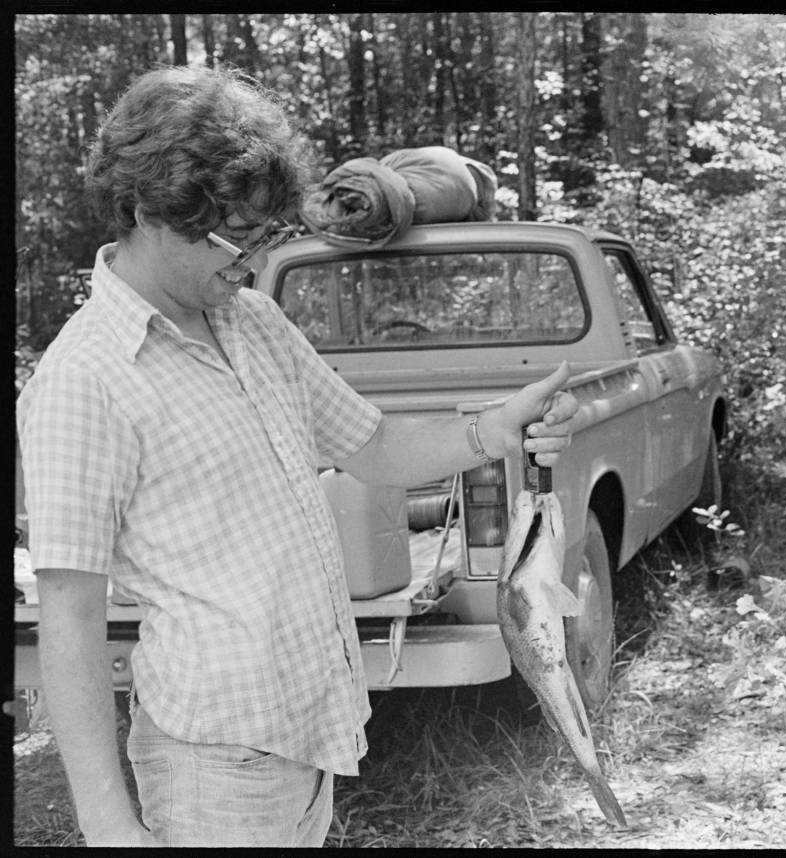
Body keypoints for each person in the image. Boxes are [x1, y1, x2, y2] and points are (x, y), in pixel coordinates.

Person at [15, 65, 579, 848]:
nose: (250, 259)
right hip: (215, 767)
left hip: (312, 743)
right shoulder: (84, 380)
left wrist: (497, 428)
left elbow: (374, 445)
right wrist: (109, 823)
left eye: (264, 234)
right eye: (234, 236)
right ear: (147, 209)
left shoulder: (252, 321)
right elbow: (68, 615)